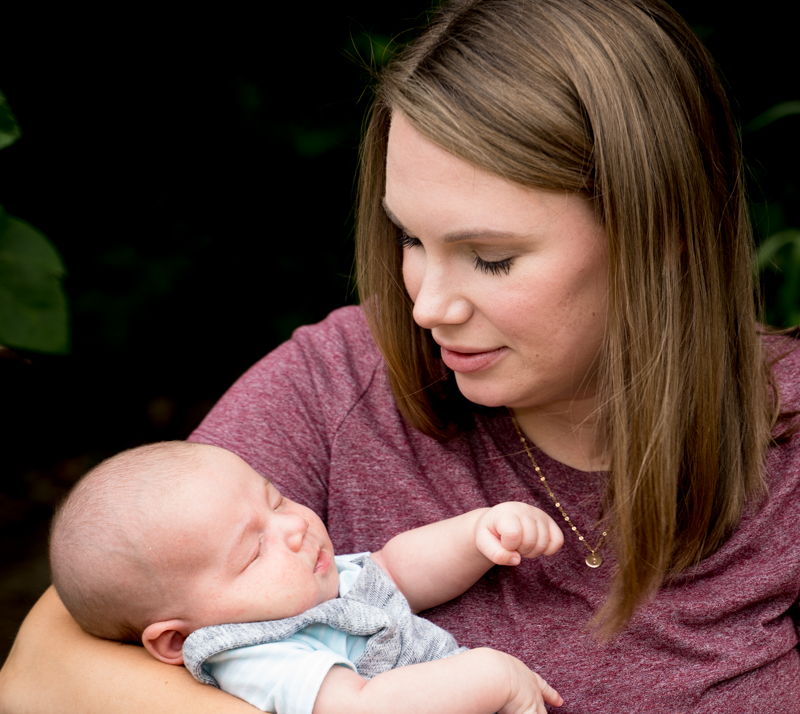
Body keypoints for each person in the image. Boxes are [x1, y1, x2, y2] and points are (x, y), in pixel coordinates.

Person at [1, 0, 798, 712]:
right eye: (410, 239)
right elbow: (40, 672)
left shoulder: (784, 450)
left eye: (490, 258)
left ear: (662, 233)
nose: (426, 308)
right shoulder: (339, 378)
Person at [48, 440, 564, 714]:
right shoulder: (254, 653)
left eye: (276, 501)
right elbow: (360, 707)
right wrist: (491, 678)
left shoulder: (304, 587)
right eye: (253, 551)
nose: (294, 528)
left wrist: (476, 533)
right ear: (178, 640)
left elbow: (395, 568)